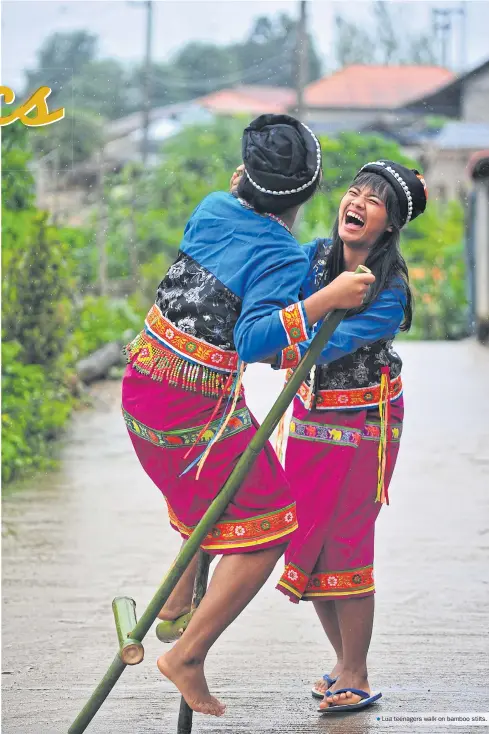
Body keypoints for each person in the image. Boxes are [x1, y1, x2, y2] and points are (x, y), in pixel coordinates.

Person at [121, 113, 375, 716]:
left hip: (144, 389)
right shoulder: (281, 254)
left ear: (244, 177)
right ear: (308, 195)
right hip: (190, 413)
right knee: (274, 523)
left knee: (225, 495)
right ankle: (187, 654)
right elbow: (254, 342)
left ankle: (178, 595)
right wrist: (326, 299)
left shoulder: (213, 205)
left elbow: (217, 304)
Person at [272, 160, 428, 713]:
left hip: (366, 423)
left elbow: (326, 344)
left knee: (347, 540)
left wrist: (277, 344)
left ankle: (356, 672)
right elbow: (281, 304)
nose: (356, 202)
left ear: (389, 225)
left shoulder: (389, 290)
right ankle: (344, 663)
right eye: (354, 192)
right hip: (314, 418)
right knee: (306, 534)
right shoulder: (315, 258)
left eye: (375, 200)